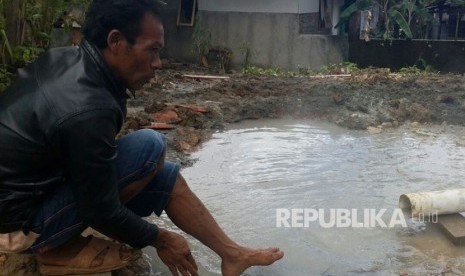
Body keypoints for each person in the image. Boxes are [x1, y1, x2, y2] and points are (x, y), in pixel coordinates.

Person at [0, 0, 284, 275]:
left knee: (164, 176)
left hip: (30, 191)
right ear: (115, 41)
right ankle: (56, 247)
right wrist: (160, 238)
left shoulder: (65, 59)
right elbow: (99, 208)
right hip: (16, 224)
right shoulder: (88, 109)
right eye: (153, 51)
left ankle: (232, 255)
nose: (158, 63)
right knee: (149, 147)